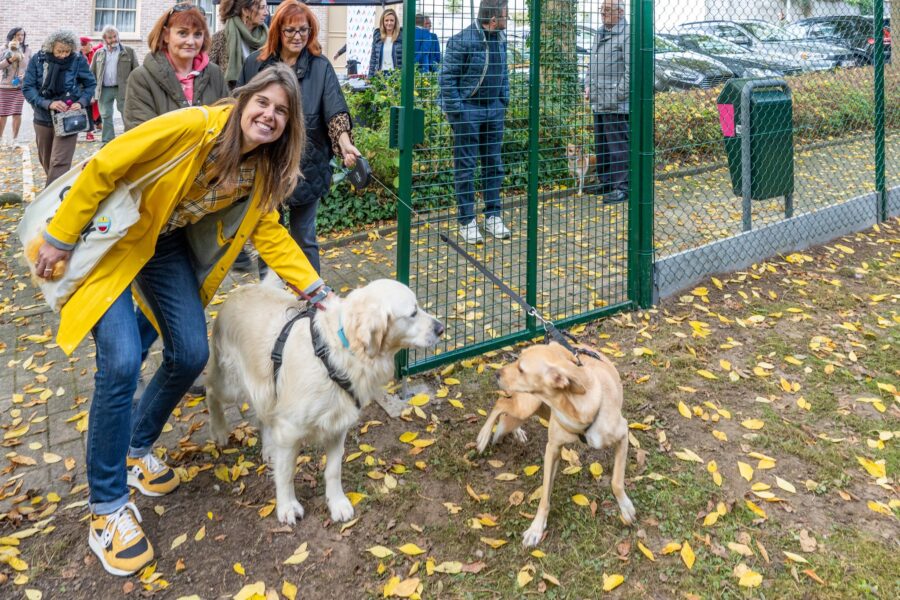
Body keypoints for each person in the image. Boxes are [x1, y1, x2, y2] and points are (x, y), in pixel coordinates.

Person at [33, 63, 330, 577]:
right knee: (122, 360)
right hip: (108, 236)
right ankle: (106, 509)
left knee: (191, 352)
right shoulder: (193, 126)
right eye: (263, 102)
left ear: (289, 124)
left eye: (282, 111)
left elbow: (271, 235)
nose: (270, 115)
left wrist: (317, 290)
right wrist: (61, 234)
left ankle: (136, 448)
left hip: (161, 247)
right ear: (244, 99)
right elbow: (106, 163)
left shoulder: (259, 171)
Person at [239, 0, 361, 272]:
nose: (297, 36)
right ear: (277, 31)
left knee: (304, 237)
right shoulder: (255, 64)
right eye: (290, 30)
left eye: (303, 30)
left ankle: (311, 302)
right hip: (264, 163)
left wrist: (345, 144)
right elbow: (241, 110)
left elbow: (335, 111)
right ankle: (272, 301)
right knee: (269, 237)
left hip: (307, 164)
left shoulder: (320, 66)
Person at [439, 0, 511, 244]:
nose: (508, 18)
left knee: (494, 165)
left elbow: (504, 73)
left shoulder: (501, 39)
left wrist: (503, 100)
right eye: (505, 15)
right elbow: (447, 79)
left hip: (494, 110)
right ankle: (467, 220)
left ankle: (493, 216)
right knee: (466, 168)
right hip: (469, 111)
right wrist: (458, 111)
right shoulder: (462, 40)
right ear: (493, 19)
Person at [124, 2, 228, 131]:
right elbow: (141, 135)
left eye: (197, 34)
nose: (191, 41)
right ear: (166, 35)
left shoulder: (215, 73)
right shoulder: (141, 78)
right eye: (183, 33)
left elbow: (227, 124)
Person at [22, 29, 95, 186]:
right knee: (46, 159)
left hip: (69, 117)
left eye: (67, 51)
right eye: (59, 51)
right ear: (51, 47)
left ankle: (51, 201)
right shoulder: (38, 59)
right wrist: (48, 103)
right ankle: (57, 189)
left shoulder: (77, 60)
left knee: (59, 161)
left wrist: (81, 102)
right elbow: (28, 88)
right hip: (43, 116)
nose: (63, 55)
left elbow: (90, 84)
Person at [586, 0, 629, 204]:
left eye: (608, 10)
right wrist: (587, 85)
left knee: (618, 146)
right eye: (602, 10)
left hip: (615, 102)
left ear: (620, 12)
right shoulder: (599, 33)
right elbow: (590, 64)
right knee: (602, 143)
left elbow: (631, 70)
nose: (603, 14)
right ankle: (606, 182)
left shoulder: (627, 34)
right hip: (598, 98)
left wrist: (618, 94)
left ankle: (622, 187)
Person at [89, 25, 136, 145]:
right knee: (105, 115)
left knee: (127, 114)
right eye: (110, 37)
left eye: (115, 36)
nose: (114, 39)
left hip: (123, 89)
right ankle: (108, 142)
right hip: (104, 89)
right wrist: (91, 92)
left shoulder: (128, 52)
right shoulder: (98, 53)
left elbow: (136, 71)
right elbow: (91, 73)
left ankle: (130, 141)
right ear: (104, 38)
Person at [209, 0, 269, 90]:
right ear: (245, 11)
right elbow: (208, 73)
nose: (266, 13)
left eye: (266, 8)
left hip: (260, 95)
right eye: (261, 8)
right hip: (229, 99)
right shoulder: (220, 38)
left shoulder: (268, 38)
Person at [0, 27, 30, 147]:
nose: (20, 37)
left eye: (22, 35)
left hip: (19, 86)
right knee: (2, 114)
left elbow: (29, 66)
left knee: (17, 113)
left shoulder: (27, 50)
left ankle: (15, 139)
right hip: (4, 86)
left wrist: (25, 75)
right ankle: (0, 138)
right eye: (17, 35)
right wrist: (9, 60)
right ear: (12, 35)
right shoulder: (4, 48)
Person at [367, 8, 402, 78]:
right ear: (382, 22)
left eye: (392, 20)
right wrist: (370, 77)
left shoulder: (401, 36)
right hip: (380, 75)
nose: (389, 23)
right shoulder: (377, 35)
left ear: (395, 22)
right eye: (386, 20)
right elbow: (373, 58)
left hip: (396, 75)